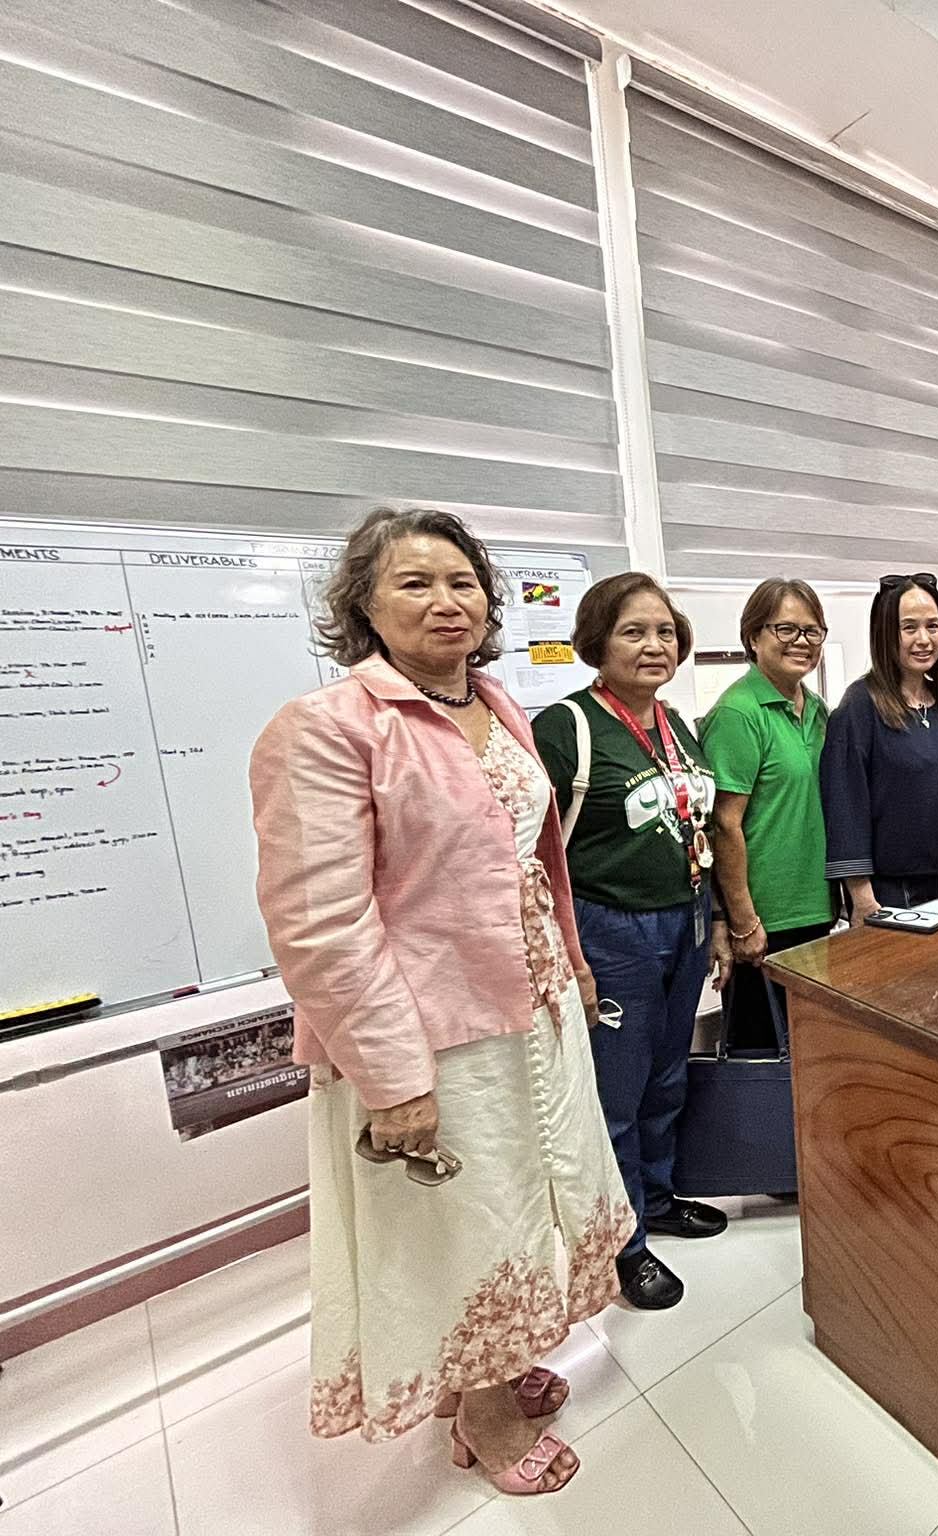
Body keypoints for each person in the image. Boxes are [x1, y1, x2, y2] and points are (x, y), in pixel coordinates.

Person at [250, 507, 632, 1497]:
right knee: (463, 1220)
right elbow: (320, 924)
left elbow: (536, 861)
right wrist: (393, 1080)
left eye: (462, 581)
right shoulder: (329, 727)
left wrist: (575, 967)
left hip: (533, 1010)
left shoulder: (497, 705)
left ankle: (488, 1368)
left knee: (524, 1201)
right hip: (431, 1036)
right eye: (414, 583)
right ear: (364, 606)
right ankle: (487, 1414)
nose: (446, 600)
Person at [532, 574, 731, 1316]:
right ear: (597, 641)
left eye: (665, 632)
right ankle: (624, 1244)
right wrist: (569, 956)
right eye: (633, 631)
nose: (654, 645)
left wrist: (716, 920)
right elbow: (533, 852)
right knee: (617, 1093)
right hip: (611, 929)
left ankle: (658, 1194)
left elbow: (697, 827)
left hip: (685, 916)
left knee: (667, 1076)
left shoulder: (676, 724)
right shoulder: (567, 728)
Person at [702, 578, 833, 1052]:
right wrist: (741, 920)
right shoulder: (738, 713)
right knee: (764, 1059)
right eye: (786, 629)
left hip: (815, 909)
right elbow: (723, 824)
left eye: (812, 631)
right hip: (764, 920)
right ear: (753, 636)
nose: (801, 641)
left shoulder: (816, 709)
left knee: (811, 1053)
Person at [822, 573, 938, 918]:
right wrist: (862, 898)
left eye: (933, 626)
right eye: (909, 628)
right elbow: (844, 807)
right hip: (889, 892)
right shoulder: (859, 705)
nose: (924, 639)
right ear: (885, 634)